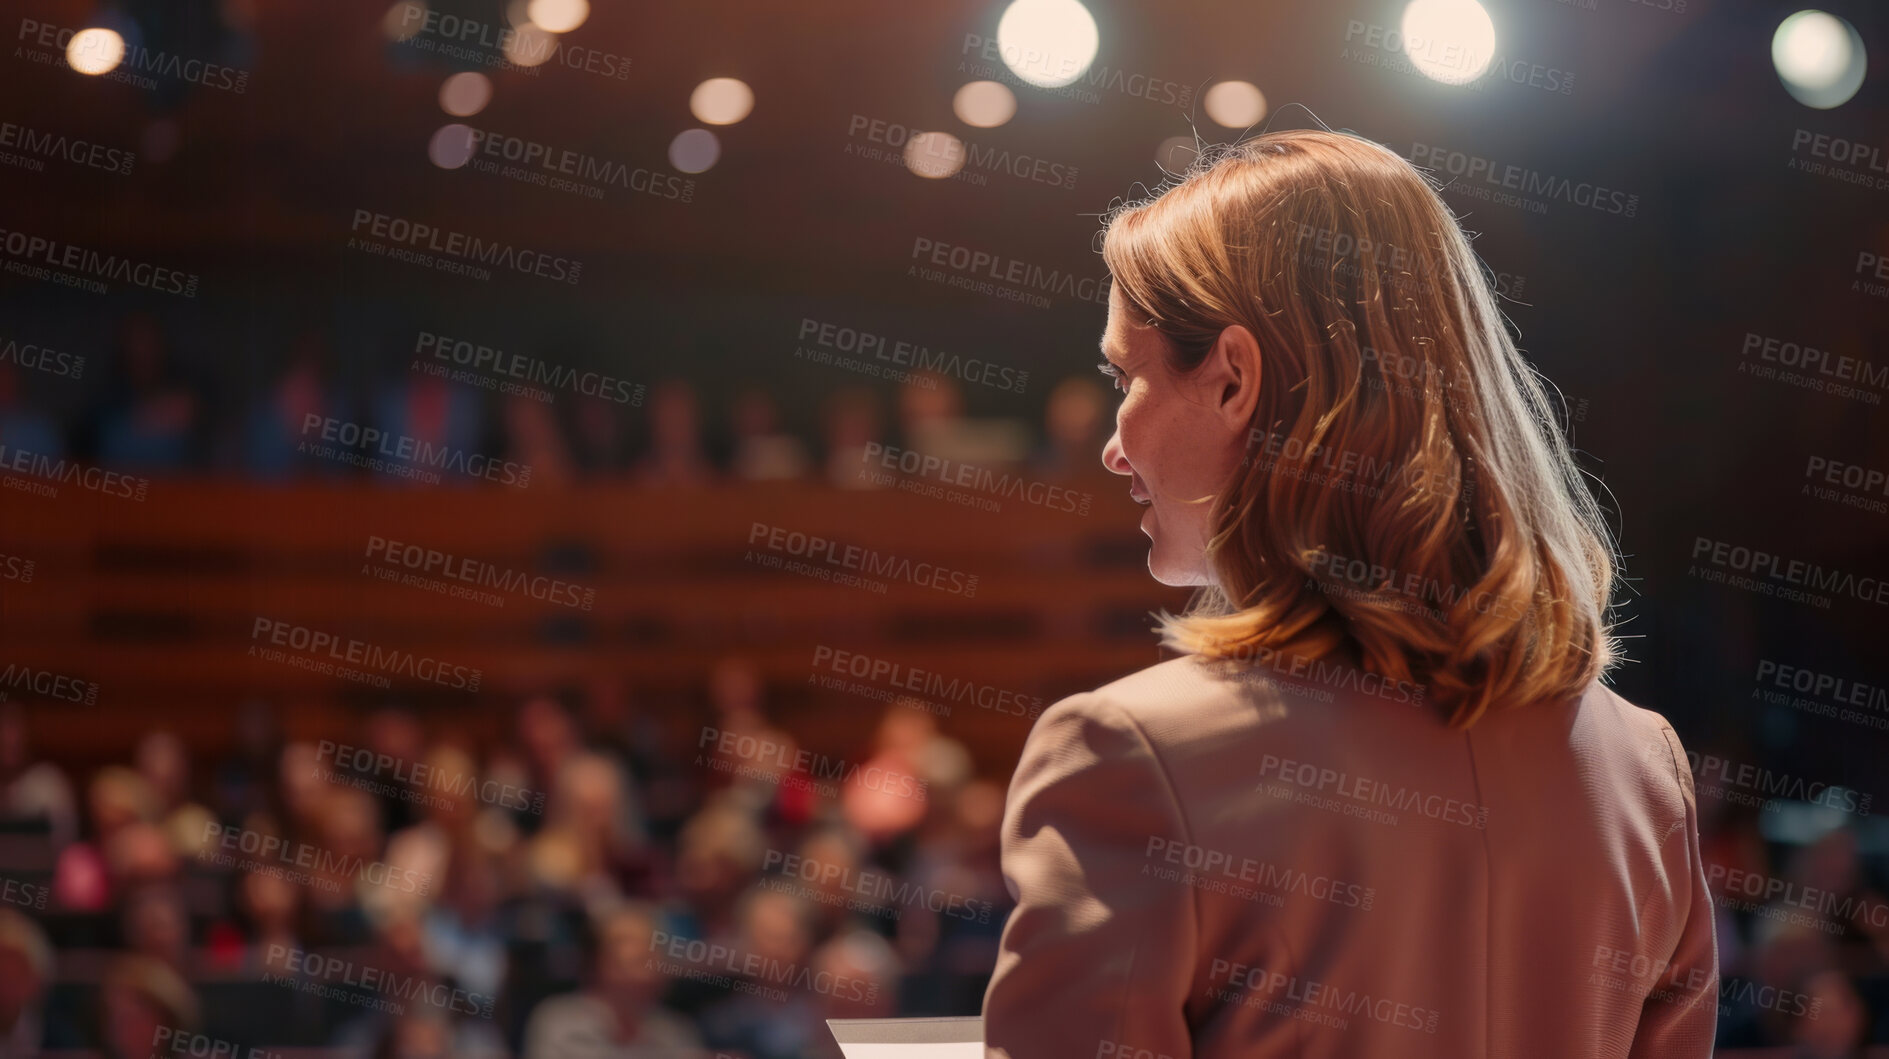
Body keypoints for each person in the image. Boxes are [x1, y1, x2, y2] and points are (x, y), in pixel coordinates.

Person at [979, 128, 1717, 1058]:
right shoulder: (1645, 770)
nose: (1112, 445)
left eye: (1123, 375)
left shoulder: (1129, 758)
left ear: (1234, 379)